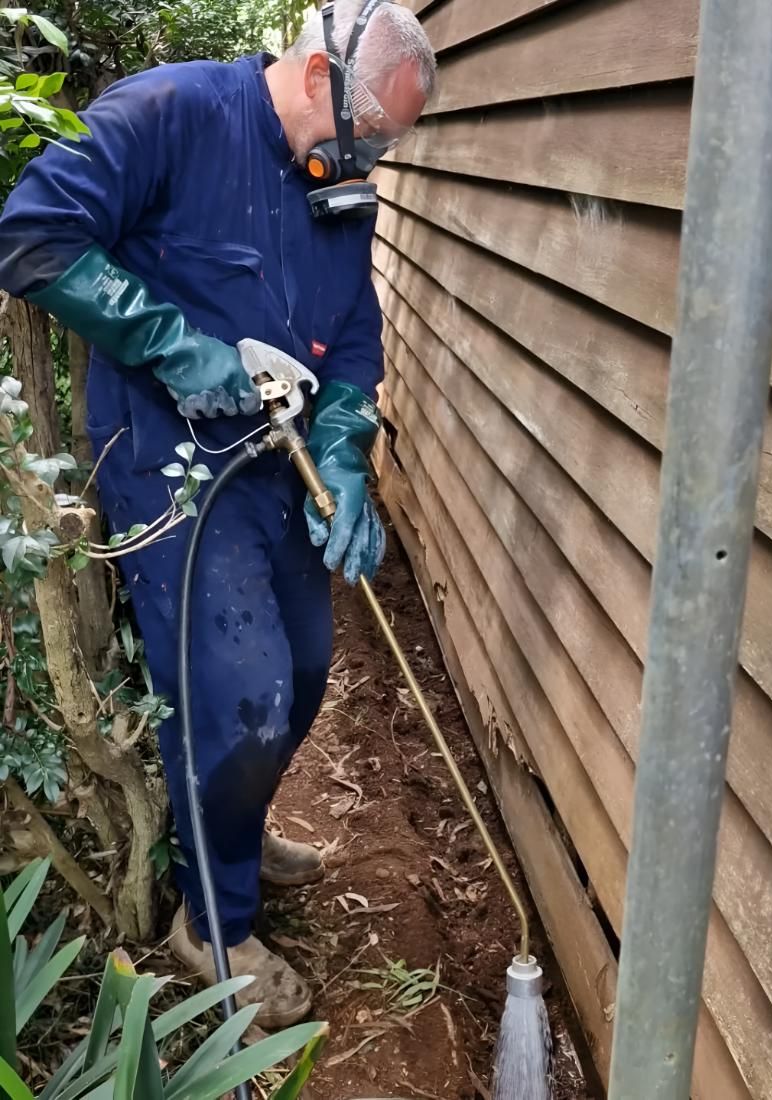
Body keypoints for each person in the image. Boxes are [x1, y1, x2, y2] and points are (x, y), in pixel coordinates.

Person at [0, 0, 435, 1028]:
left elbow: (355, 337)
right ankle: (213, 921)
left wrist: (345, 446)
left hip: (280, 457)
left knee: (308, 668)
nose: (371, 158)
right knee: (244, 696)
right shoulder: (172, 112)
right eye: (371, 132)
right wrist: (170, 344)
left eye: (386, 143)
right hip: (173, 461)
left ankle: (230, 834)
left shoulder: (339, 184)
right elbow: (31, 233)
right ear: (320, 77)